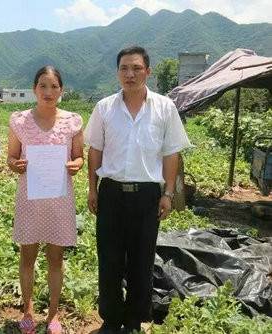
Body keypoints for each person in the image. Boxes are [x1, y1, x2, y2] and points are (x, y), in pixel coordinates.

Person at [84, 46, 191, 334]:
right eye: (124, 69)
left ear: (148, 71)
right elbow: (95, 151)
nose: (129, 74)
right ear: (117, 72)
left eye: (136, 68)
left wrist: (168, 194)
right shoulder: (104, 107)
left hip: (147, 196)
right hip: (111, 193)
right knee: (109, 259)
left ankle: (133, 321)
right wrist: (92, 189)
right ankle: (111, 318)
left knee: (142, 261)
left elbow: (171, 154)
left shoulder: (164, 107)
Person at [7, 66, 84, 334]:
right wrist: (16, 165)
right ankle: (27, 309)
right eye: (43, 85)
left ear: (61, 90)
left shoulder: (72, 121)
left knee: (55, 259)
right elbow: (11, 157)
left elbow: (79, 157)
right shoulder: (19, 121)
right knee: (27, 258)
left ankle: (53, 314)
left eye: (54, 86)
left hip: (59, 200)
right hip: (30, 198)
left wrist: (76, 164)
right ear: (34, 89)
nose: (48, 92)